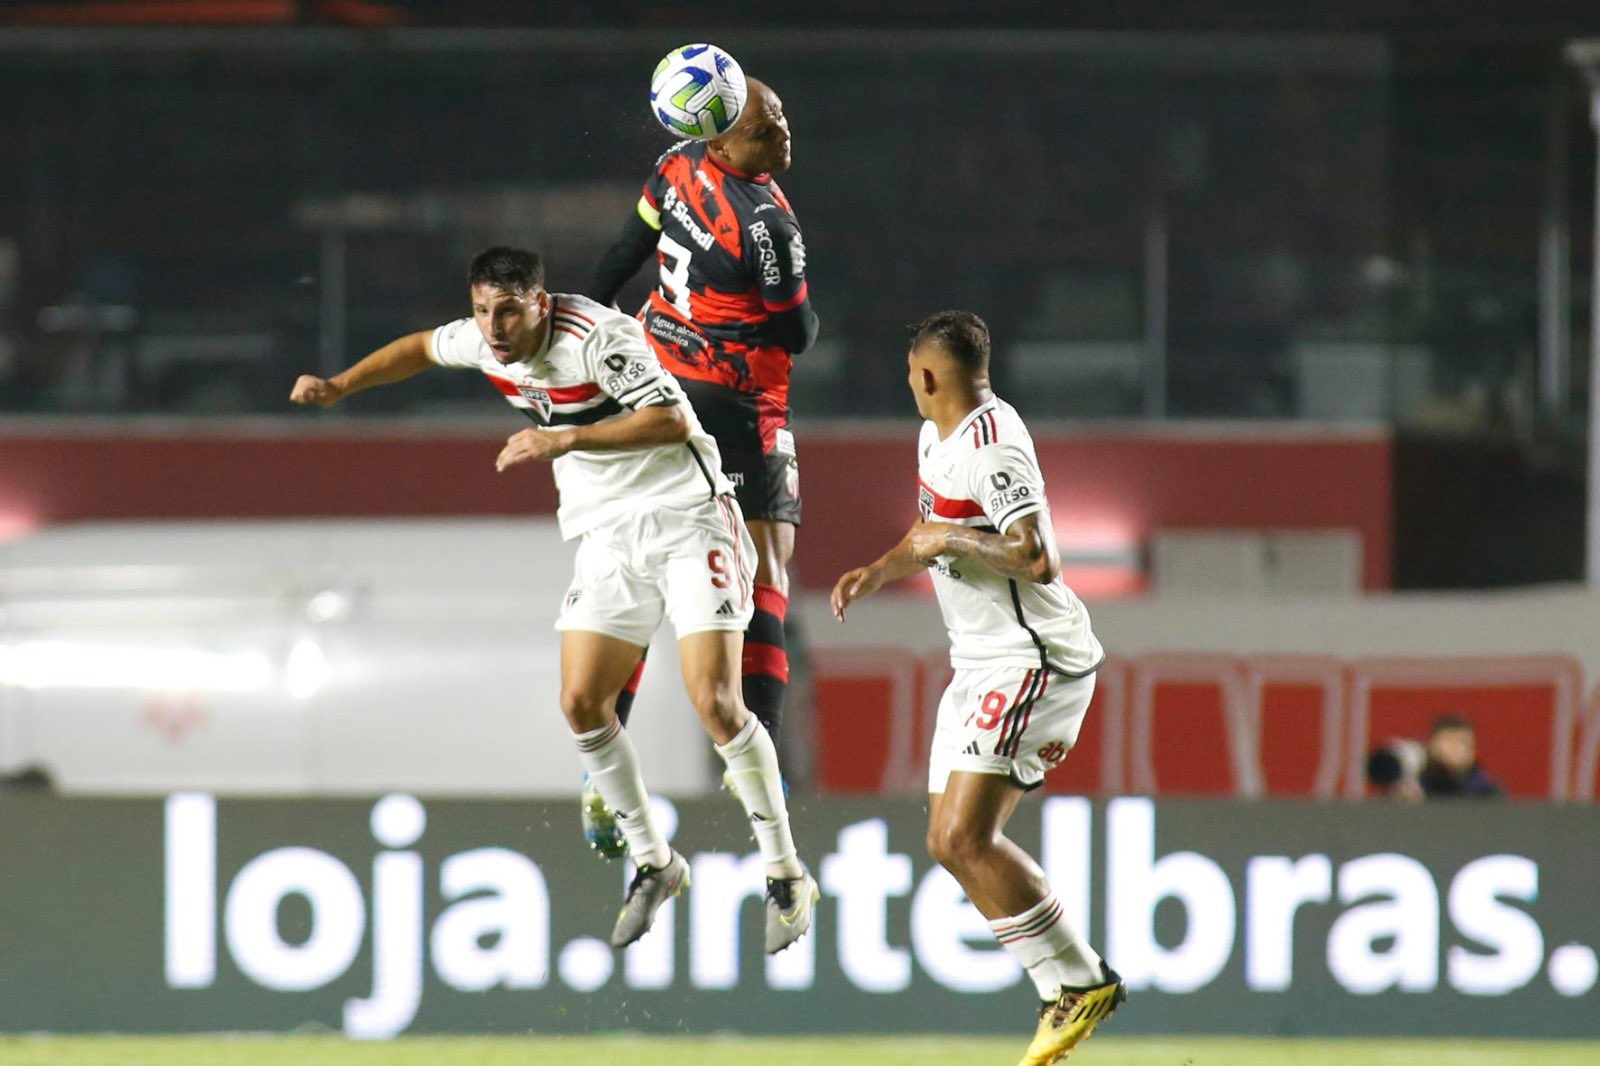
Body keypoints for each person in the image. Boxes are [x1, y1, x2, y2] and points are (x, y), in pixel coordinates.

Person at [289, 246, 817, 953]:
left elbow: (671, 422)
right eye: (483, 311)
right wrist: (338, 386)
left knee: (716, 703)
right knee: (579, 704)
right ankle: (655, 864)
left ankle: (785, 873)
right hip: (606, 535)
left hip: (687, 515)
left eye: (508, 310)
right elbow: (418, 348)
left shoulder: (599, 339)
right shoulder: (481, 340)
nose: (494, 327)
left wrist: (564, 437)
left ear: (541, 302)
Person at [830, 311, 1124, 1065]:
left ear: (929, 376)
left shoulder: (993, 449)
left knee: (966, 835)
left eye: (910, 375)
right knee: (945, 841)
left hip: (1035, 659)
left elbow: (1038, 555)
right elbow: (929, 531)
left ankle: (1083, 979)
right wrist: (881, 569)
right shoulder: (937, 438)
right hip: (979, 660)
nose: (908, 386)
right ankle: (1063, 986)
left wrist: (946, 541)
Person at [590, 76, 816, 789]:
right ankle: (761, 758)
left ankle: (606, 762)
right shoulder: (766, 225)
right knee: (763, 572)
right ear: (721, 135)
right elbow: (797, 332)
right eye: (763, 126)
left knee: (649, 566)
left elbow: (622, 256)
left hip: (656, 384)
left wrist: (594, 335)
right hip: (735, 401)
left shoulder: (674, 165)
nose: (781, 130)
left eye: (780, 114)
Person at [1367, 713, 1502, 800]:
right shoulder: (1417, 785)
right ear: (1431, 745)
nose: (1454, 748)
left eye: (1462, 742)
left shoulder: (1487, 790)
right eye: (1447, 741)